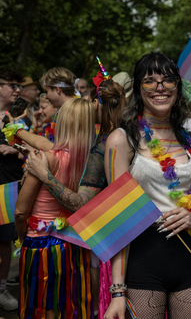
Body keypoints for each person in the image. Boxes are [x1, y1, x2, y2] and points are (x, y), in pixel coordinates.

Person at [104, 52, 191, 319]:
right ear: (138, 88)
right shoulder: (122, 140)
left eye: (167, 80)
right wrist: (118, 292)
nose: (159, 88)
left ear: (177, 87)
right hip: (144, 260)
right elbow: (119, 220)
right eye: (149, 81)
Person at [25, 75, 128, 318]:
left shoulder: (103, 146)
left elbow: (81, 203)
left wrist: (45, 175)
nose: (89, 106)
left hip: (113, 241)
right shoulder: (132, 133)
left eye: (92, 100)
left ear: (99, 104)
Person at [15, 98, 97, 318]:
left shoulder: (45, 160)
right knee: (70, 304)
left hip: (40, 243)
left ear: (62, 123)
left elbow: (21, 212)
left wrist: (22, 238)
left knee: (42, 306)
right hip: (75, 242)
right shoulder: (93, 161)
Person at [0, 69, 25, 312]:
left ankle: (2, 288)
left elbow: (31, 151)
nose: (17, 90)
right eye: (12, 85)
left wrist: (13, 151)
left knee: (6, 240)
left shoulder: (17, 118)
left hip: (8, 186)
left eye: (18, 86)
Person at [15, 67, 78, 151]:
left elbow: (63, 152)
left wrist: (15, 128)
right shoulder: (68, 109)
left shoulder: (73, 112)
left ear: (57, 89)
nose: (46, 96)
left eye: (46, 91)